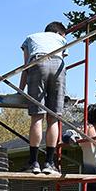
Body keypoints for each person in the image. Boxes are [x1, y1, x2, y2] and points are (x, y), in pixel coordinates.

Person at [19, 21, 68, 175]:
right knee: (53, 118)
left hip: (38, 62)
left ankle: (34, 163)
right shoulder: (61, 40)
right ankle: (49, 163)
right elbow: (61, 59)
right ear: (59, 33)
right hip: (58, 66)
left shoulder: (30, 38)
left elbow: (25, 67)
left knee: (37, 117)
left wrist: (20, 90)